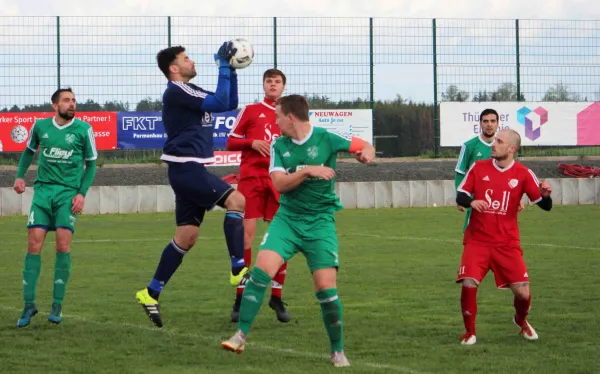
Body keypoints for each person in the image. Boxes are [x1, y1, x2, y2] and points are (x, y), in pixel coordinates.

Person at [221, 94, 376, 368]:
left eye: (278, 116)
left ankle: (337, 351)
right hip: (288, 220)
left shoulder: (326, 138)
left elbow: (364, 145)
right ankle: (240, 335)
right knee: (260, 272)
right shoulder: (279, 146)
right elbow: (279, 184)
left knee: (326, 289)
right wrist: (308, 171)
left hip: (320, 223)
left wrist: (366, 154)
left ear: (290, 118)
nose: (275, 121)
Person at [135, 43, 248, 328]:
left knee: (185, 238)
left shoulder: (192, 91)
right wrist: (223, 65)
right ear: (174, 68)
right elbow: (219, 103)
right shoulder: (177, 90)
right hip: (185, 168)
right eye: (186, 58)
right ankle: (238, 269)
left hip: (190, 168)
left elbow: (228, 103)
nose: (192, 61)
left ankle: (150, 293)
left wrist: (231, 69)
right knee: (237, 201)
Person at [455, 129, 553, 345]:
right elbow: (460, 195)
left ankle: (521, 320)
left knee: (523, 294)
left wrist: (546, 196)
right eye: (494, 140)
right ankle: (469, 332)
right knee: (469, 283)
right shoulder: (479, 167)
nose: (493, 144)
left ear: (511, 149)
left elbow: (545, 206)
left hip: (507, 243)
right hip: (477, 240)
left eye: (499, 142)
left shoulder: (524, 173)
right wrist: (470, 202)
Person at [14, 87, 98, 327]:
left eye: (74, 100)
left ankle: (56, 306)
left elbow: (91, 165)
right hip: (42, 193)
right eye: (66, 100)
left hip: (67, 195)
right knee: (34, 244)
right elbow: (28, 152)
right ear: (55, 105)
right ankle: (28, 304)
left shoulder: (84, 130)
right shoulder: (41, 127)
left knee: (63, 245)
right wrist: (20, 176)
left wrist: (81, 194)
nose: (72, 104)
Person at [225, 68, 289, 323]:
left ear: (283, 87)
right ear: (263, 85)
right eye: (269, 81)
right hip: (251, 180)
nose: (273, 85)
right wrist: (251, 143)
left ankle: (276, 296)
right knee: (246, 238)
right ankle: (240, 299)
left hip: (278, 181)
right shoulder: (251, 111)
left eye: (277, 82)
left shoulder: (289, 114)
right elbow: (230, 141)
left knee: (281, 239)